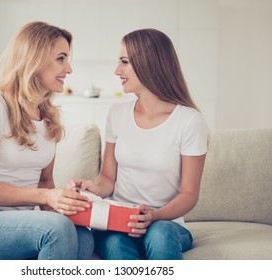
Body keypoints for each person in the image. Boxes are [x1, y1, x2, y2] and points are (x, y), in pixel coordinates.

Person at [0, 22, 94, 260]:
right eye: (61, 59)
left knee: (83, 236)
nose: (69, 68)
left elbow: (44, 182)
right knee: (57, 230)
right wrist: (46, 197)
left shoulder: (49, 117)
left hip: (17, 224)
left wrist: (64, 202)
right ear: (36, 59)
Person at [69, 28, 209, 260]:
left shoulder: (189, 121)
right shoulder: (117, 113)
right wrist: (93, 188)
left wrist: (154, 216)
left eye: (124, 62)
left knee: (160, 235)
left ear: (148, 63)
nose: (117, 71)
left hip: (167, 223)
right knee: (115, 243)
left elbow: (189, 193)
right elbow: (107, 179)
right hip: (118, 219)